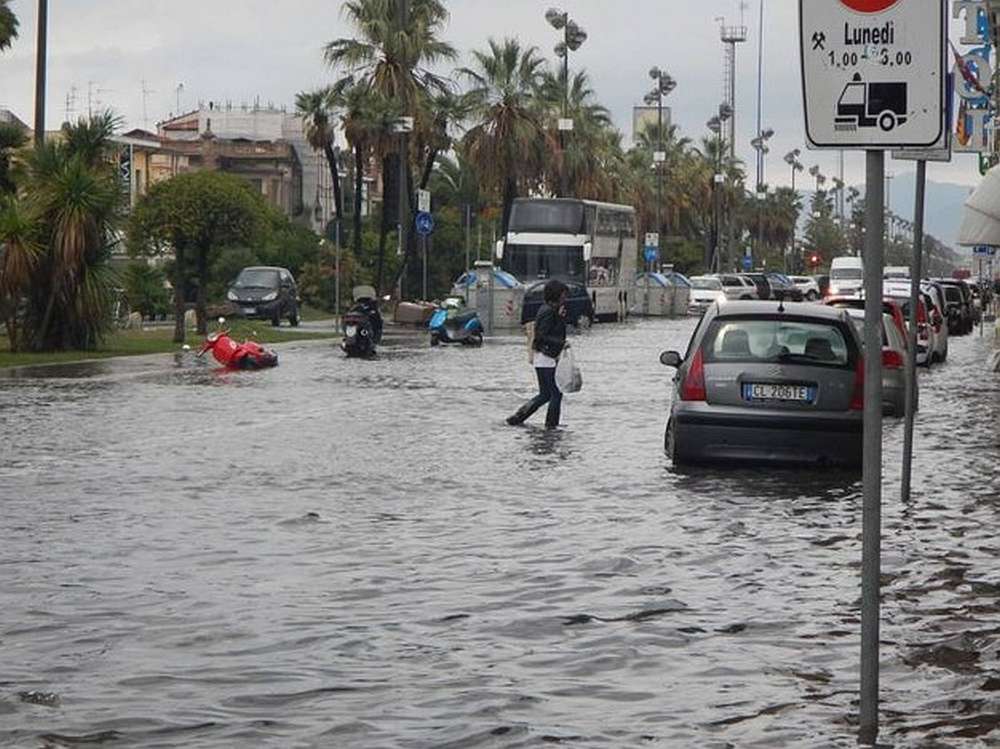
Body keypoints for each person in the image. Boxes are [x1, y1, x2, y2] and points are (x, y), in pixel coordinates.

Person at [507, 279, 568, 429]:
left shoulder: (549, 310)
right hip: (546, 357)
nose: (565, 297)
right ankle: (551, 426)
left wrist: (560, 318)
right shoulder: (548, 311)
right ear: (556, 295)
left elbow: (553, 331)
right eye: (563, 294)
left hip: (543, 357)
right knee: (555, 394)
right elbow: (541, 335)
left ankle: (518, 417)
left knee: (545, 394)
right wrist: (561, 343)